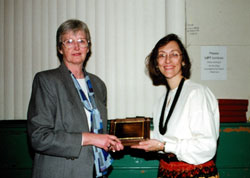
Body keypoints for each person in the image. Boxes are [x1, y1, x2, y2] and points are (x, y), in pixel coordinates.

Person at [27, 19, 124, 178]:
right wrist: (90, 139)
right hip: (60, 172)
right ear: (60, 48)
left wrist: (108, 143)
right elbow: (39, 137)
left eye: (81, 41)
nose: (76, 46)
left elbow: (98, 131)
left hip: (95, 171)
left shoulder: (98, 85)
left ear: (88, 47)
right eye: (69, 41)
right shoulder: (47, 80)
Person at [131, 34, 220, 178]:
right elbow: (165, 137)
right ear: (156, 63)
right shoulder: (160, 101)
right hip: (166, 171)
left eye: (174, 54)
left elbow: (206, 146)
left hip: (195, 173)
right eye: (162, 55)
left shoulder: (197, 93)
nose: (167, 60)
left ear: (183, 60)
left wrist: (164, 146)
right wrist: (126, 137)